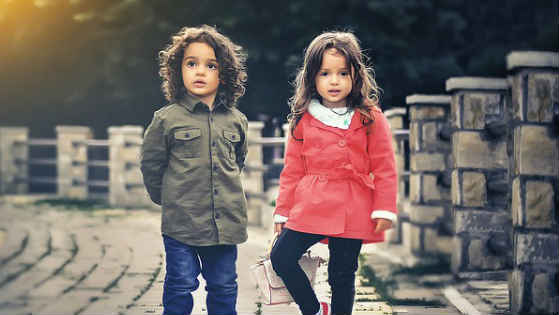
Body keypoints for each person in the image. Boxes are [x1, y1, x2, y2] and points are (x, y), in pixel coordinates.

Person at [269, 31, 398, 315]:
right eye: (325, 73)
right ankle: (313, 309)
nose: (334, 80)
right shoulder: (303, 118)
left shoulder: (370, 117)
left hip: (353, 205)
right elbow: (292, 170)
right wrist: (283, 210)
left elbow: (385, 166)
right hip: (311, 204)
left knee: (342, 274)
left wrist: (384, 209)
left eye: (342, 73)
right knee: (281, 256)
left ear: (356, 75)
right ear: (312, 77)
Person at [140, 25, 248, 315]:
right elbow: (151, 164)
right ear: (178, 70)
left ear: (223, 73)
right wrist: (169, 199)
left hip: (225, 224)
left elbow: (238, 160)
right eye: (192, 63)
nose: (200, 71)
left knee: (224, 285)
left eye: (210, 65)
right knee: (180, 283)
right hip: (181, 223)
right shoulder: (166, 119)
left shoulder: (236, 120)